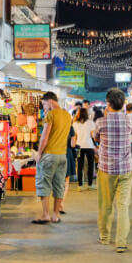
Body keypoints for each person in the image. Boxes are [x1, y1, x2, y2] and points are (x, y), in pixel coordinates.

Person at [95, 88, 132, 253]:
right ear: (124, 104)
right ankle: (121, 242)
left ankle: (105, 237)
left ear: (108, 104)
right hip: (125, 169)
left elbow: (96, 137)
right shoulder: (129, 121)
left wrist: (106, 115)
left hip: (107, 169)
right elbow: (130, 132)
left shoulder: (101, 122)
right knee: (123, 205)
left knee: (106, 204)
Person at [32, 91, 71, 224]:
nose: (44, 108)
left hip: (49, 155)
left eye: (44, 104)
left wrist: (38, 153)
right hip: (62, 156)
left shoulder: (51, 115)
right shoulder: (67, 115)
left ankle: (45, 215)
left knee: (44, 183)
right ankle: (55, 215)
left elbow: (45, 136)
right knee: (59, 185)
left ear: (49, 101)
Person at [73, 108, 96, 191]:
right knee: (90, 166)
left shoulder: (75, 123)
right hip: (89, 146)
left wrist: (74, 147)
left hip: (79, 146)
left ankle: (80, 185)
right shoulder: (91, 123)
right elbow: (93, 136)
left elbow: (75, 136)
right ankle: (90, 184)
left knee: (79, 166)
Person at [61, 124, 77, 213]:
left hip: (56, 153)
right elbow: (73, 144)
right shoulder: (70, 128)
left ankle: (57, 202)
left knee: (57, 181)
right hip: (67, 154)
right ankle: (61, 203)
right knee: (66, 182)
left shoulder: (54, 125)